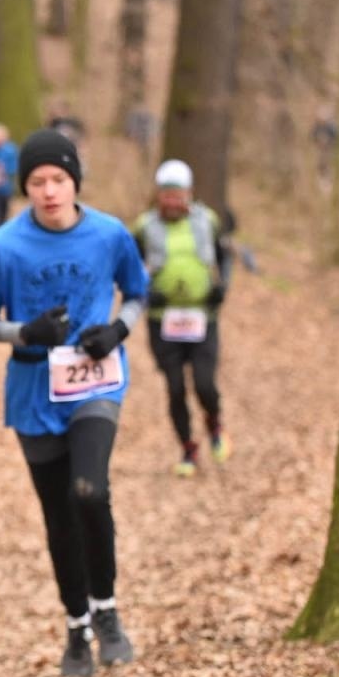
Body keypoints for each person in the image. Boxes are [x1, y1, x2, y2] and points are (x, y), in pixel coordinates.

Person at [0, 129, 147, 677]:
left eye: (58, 179)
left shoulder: (110, 234)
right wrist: (26, 331)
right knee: (58, 515)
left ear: (74, 182)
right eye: (37, 181)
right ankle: (75, 626)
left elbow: (137, 293)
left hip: (96, 382)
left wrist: (116, 330)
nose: (48, 191)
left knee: (89, 490)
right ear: (25, 187)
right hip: (33, 392)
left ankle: (107, 612)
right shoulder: (5, 247)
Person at [130, 159, 234, 477]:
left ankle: (214, 425)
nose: (173, 201)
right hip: (163, 320)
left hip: (202, 316)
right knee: (175, 387)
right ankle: (188, 448)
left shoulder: (208, 221)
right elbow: (129, 267)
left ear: (189, 194)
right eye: (166, 195)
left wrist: (222, 287)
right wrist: (146, 293)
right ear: (158, 195)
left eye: (178, 195)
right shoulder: (144, 227)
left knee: (204, 383)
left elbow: (224, 255)